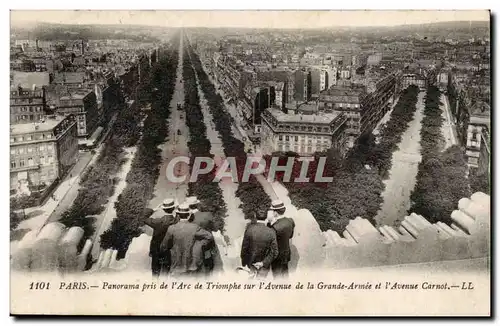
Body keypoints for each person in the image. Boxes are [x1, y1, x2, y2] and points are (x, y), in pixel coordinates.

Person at [160, 203, 214, 277]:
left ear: (178, 215)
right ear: (189, 215)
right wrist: (199, 245)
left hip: (176, 264)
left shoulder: (171, 228)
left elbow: (163, 246)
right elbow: (209, 236)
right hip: (192, 265)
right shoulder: (195, 227)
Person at [142, 198, 178, 277]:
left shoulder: (157, 222)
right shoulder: (176, 221)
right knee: (165, 274)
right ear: (173, 209)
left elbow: (143, 217)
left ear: (163, 209)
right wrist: (178, 209)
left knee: (155, 274)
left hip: (156, 250)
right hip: (169, 251)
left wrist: (153, 210)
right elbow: (183, 216)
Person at [240, 209, 278, 279]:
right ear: (266, 217)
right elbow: (275, 252)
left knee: (250, 285)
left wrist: (244, 263)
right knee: (261, 286)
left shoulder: (249, 229)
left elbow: (244, 248)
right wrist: (263, 263)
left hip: (250, 264)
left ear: (255, 216)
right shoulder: (271, 231)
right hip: (264, 266)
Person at [268, 199, 295, 278]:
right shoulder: (290, 221)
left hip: (276, 256)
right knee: (285, 274)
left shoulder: (273, 226)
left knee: (277, 277)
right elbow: (290, 236)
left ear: (275, 212)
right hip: (286, 253)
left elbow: (270, 242)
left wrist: (270, 224)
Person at [189, 211, 220, 276]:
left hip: (191, 249)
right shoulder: (207, 214)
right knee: (207, 268)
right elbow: (215, 229)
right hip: (206, 247)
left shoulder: (185, 217)